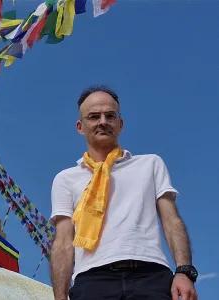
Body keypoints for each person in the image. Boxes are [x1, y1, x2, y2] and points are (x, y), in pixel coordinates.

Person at [50, 86, 198, 300]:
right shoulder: (65, 179)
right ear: (80, 126)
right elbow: (63, 241)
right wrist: (60, 297)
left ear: (120, 124)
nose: (103, 121)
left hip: (151, 275)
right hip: (92, 280)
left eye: (110, 115)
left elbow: (171, 220)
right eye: (94, 116)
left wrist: (184, 272)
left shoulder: (150, 164)